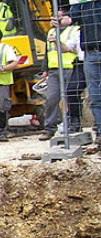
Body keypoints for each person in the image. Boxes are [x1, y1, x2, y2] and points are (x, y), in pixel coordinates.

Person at [62, 0, 101, 141]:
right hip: (90, 55)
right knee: (95, 97)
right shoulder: (83, 3)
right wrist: (60, 20)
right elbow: (70, 19)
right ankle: (100, 135)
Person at [42, 8, 82, 139]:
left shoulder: (74, 30)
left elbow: (75, 48)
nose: (55, 21)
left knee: (71, 97)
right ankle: (49, 128)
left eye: (58, 18)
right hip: (54, 70)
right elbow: (47, 52)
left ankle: (74, 123)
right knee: (51, 99)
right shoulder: (51, 32)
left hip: (70, 67)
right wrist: (45, 69)